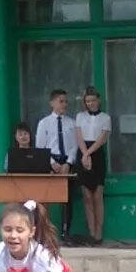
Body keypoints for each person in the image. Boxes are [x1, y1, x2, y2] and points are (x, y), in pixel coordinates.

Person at [35, 89, 80, 239]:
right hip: (50, 161)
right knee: (46, 199)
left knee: (67, 199)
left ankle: (66, 231)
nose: (64, 104)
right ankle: (45, 232)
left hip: (67, 161)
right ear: (52, 103)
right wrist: (52, 163)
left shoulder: (72, 123)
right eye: (61, 101)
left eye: (66, 101)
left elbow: (75, 145)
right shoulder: (44, 123)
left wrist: (68, 162)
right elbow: (40, 146)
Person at [75, 87, 112, 245]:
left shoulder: (106, 117)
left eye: (93, 100)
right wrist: (84, 154)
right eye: (87, 101)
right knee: (87, 196)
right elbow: (78, 135)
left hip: (96, 154)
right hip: (83, 153)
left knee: (97, 194)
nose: (90, 103)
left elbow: (102, 138)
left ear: (99, 100)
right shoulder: (80, 116)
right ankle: (90, 232)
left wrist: (89, 153)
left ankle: (98, 232)